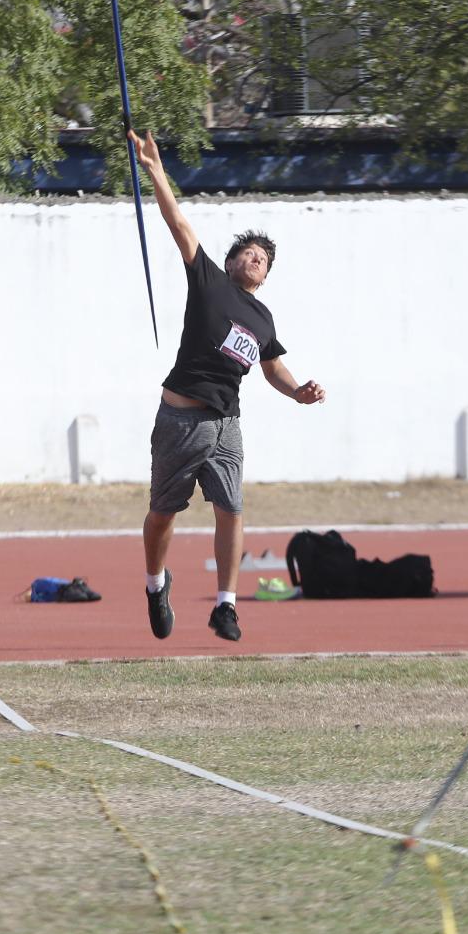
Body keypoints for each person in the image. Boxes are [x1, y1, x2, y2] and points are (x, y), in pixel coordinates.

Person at [129, 128, 325, 643]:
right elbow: (177, 222)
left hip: (225, 424)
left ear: (265, 275)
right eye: (249, 252)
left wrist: (298, 390)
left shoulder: (263, 319)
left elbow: (273, 366)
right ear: (232, 260)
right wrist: (154, 168)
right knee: (162, 515)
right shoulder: (209, 280)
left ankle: (225, 606)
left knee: (232, 509)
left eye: (263, 259)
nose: (255, 259)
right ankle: (154, 584)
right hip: (180, 419)